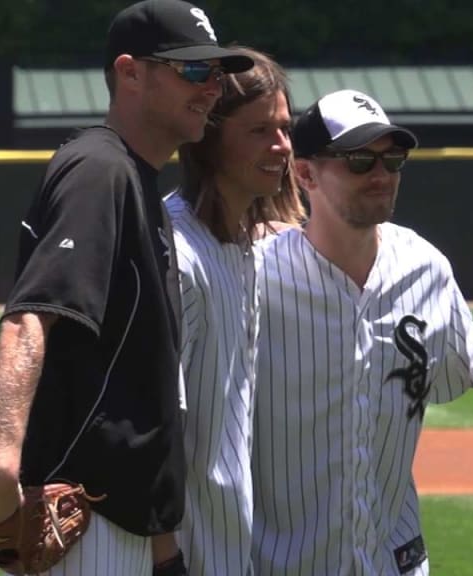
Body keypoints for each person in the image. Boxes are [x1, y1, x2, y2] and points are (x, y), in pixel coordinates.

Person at [0, 1, 252, 574]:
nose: (212, 87)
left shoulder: (139, 182)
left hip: (130, 529)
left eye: (217, 72)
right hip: (90, 527)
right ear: (130, 72)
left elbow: (147, 394)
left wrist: (164, 548)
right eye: (193, 69)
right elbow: (31, 317)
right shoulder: (100, 170)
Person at [250, 89, 473, 575]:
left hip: (396, 562)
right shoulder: (254, 280)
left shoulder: (425, 267)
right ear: (305, 173)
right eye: (359, 159)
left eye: (393, 158)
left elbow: (472, 365)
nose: (381, 174)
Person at [165, 47, 306, 575]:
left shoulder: (244, 244)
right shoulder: (177, 254)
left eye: (285, 129)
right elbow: (154, 429)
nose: (282, 146)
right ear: (209, 136)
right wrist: (165, 560)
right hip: (186, 551)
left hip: (230, 547)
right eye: (259, 131)